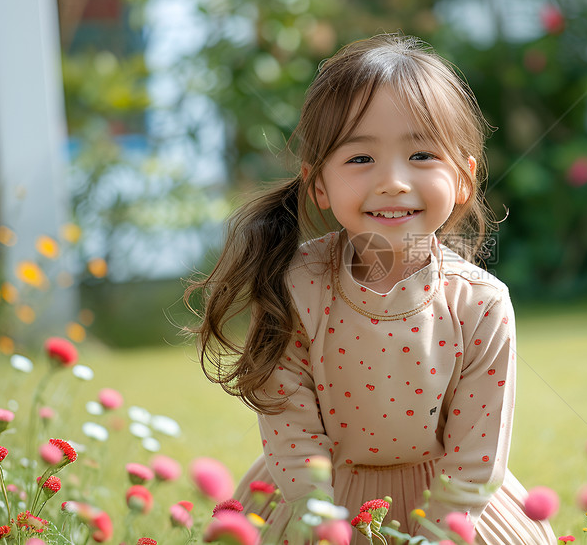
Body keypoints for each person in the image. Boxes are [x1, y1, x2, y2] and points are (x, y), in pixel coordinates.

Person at [186, 33, 557, 544]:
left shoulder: (479, 304)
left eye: (422, 154)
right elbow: (291, 432)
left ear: (464, 178)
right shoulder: (297, 285)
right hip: (317, 496)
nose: (394, 182)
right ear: (319, 184)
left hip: (448, 506)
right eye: (360, 159)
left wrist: (435, 534)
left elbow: (475, 455)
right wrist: (323, 521)